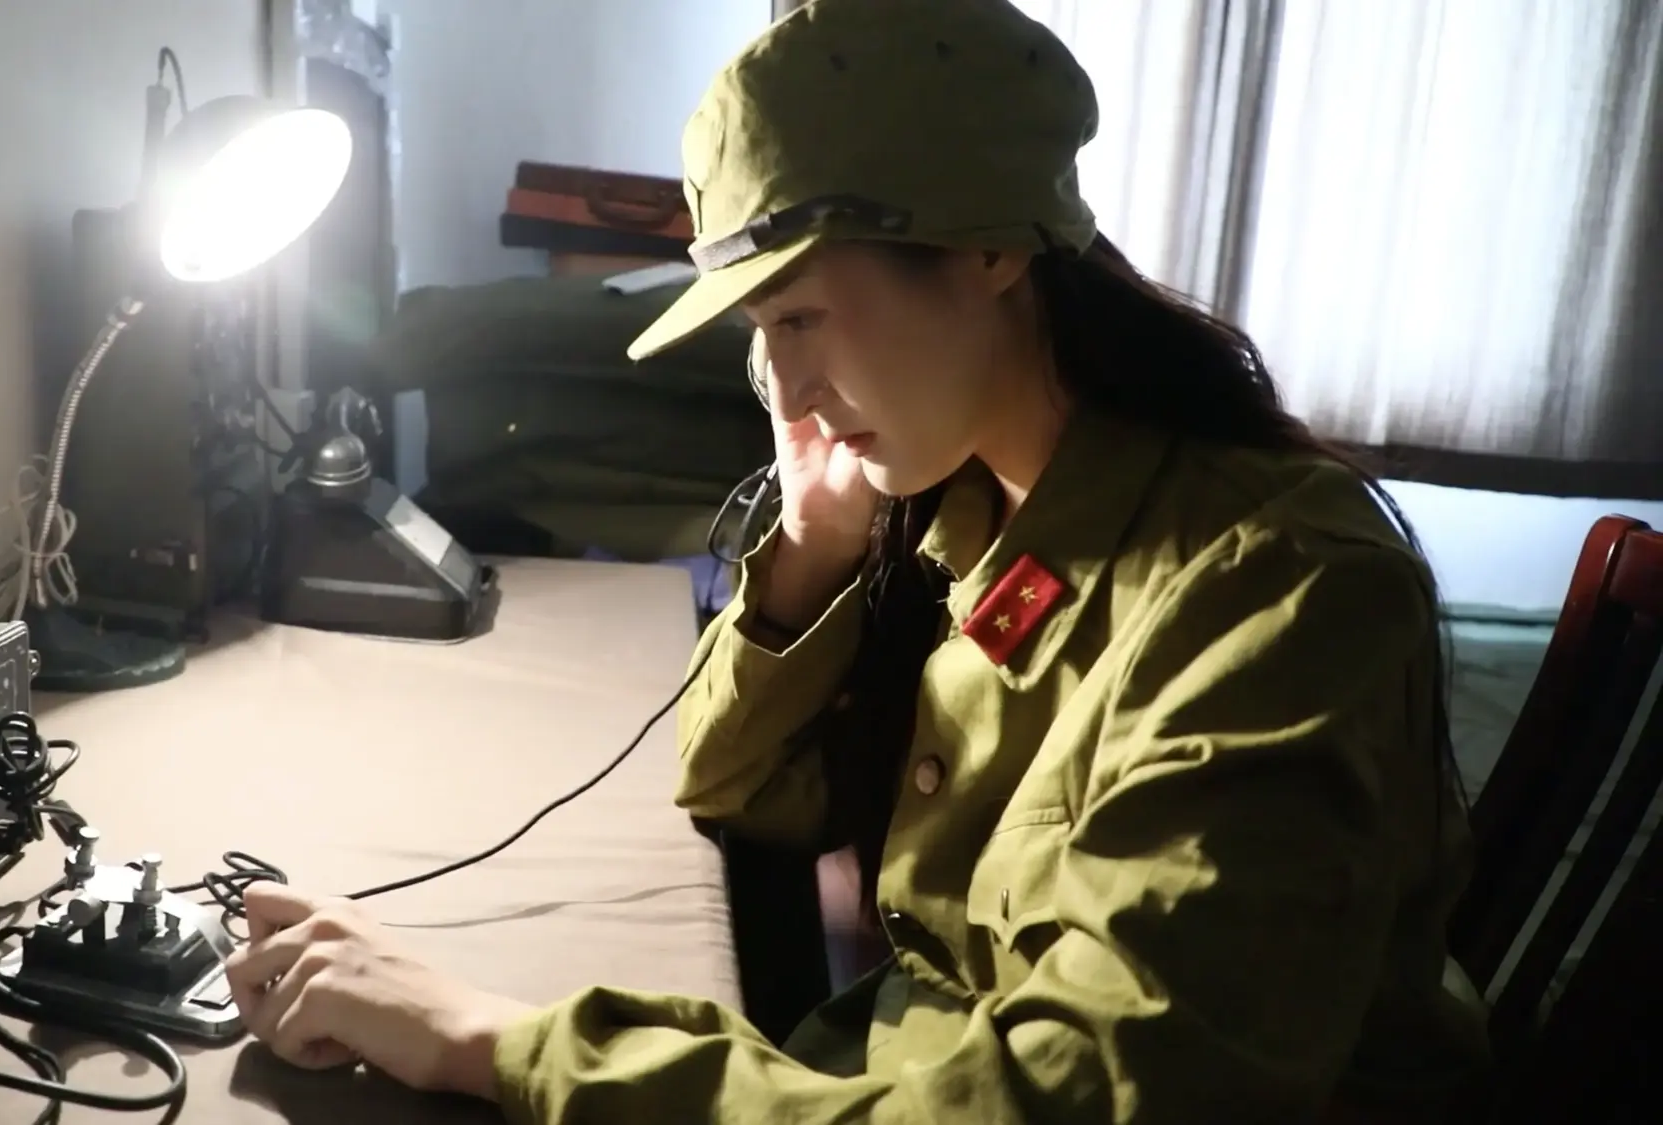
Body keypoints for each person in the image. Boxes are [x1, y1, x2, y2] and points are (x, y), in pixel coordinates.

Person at [222, 0, 1495, 1120]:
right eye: (759, 330)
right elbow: (730, 785)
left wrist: (494, 1044)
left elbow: (1079, 1101)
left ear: (987, 248)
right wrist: (813, 541)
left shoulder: (1276, 593)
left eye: (801, 316)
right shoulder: (975, 505)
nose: (784, 391)